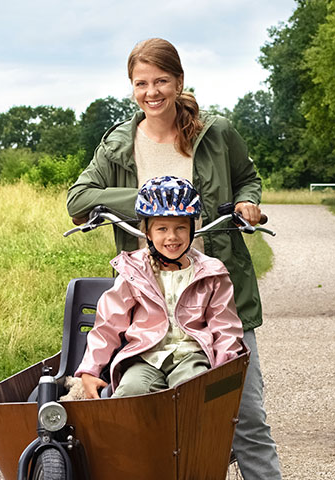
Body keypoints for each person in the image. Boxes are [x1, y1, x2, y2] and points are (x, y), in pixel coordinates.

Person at [66, 38, 282, 479]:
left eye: (161, 80)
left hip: (218, 293)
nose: (152, 92)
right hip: (151, 304)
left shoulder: (215, 133)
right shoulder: (119, 144)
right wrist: (152, 202)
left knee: (244, 417)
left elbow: (248, 179)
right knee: (142, 416)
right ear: (131, 87)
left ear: (179, 81)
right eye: (141, 83)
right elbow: (79, 198)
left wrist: (247, 204)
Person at [75, 177, 243, 399]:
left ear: (193, 229)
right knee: (129, 395)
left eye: (181, 227)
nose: (172, 237)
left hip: (191, 356)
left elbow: (225, 326)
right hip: (146, 356)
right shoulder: (134, 271)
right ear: (147, 233)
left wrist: (225, 369)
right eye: (162, 228)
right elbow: (108, 324)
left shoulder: (211, 273)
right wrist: (89, 370)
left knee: (191, 394)